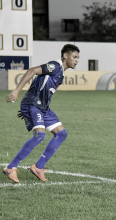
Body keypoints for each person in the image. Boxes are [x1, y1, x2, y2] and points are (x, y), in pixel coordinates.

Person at [3, 44, 80, 183]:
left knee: (61, 133)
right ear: (65, 56)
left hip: (41, 107)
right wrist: (17, 92)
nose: (77, 60)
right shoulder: (55, 66)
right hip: (34, 105)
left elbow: (40, 87)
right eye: (74, 57)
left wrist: (27, 109)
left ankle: (39, 167)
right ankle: (11, 167)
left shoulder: (60, 73)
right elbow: (32, 71)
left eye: (78, 58)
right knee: (40, 135)